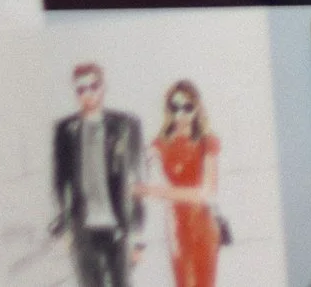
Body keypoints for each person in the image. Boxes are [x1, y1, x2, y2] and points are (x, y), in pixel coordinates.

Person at [50, 64, 145, 287]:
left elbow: (137, 181)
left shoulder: (125, 125)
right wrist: (66, 227)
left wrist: (138, 238)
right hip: (83, 229)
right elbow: (59, 181)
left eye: (93, 86)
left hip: (119, 225)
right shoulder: (65, 130)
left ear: (104, 87)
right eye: (81, 90)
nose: (88, 94)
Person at [139, 79, 223, 287]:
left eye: (187, 107)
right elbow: (142, 175)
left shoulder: (206, 142)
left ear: (197, 108)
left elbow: (207, 191)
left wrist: (158, 191)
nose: (181, 114)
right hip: (177, 227)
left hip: (203, 227)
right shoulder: (160, 144)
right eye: (175, 107)